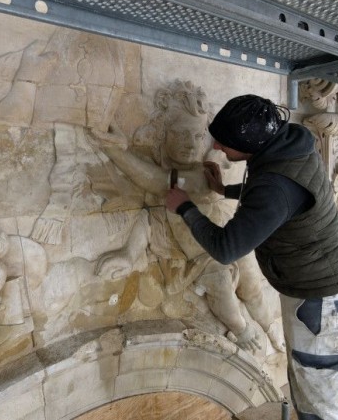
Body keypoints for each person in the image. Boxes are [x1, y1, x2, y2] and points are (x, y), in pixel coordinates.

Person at [165, 94, 338, 420]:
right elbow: (277, 198)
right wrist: (224, 190)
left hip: (322, 302)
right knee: (307, 383)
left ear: (249, 145)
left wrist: (184, 206)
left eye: (223, 142)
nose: (215, 147)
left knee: (324, 401)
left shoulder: (275, 185)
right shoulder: (289, 147)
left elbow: (227, 248)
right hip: (323, 291)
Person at [92, 81, 283, 352]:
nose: (190, 144)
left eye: (197, 136)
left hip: (227, 239)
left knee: (253, 289)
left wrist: (116, 151)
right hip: (205, 257)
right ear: (162, 134)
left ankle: (271, 328)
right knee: (223, 297)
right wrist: (128, 253)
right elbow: (148, 220)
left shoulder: (195, 175)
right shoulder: (187, 177)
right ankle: (243, 329)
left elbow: (153, 179)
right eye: (181, 134)